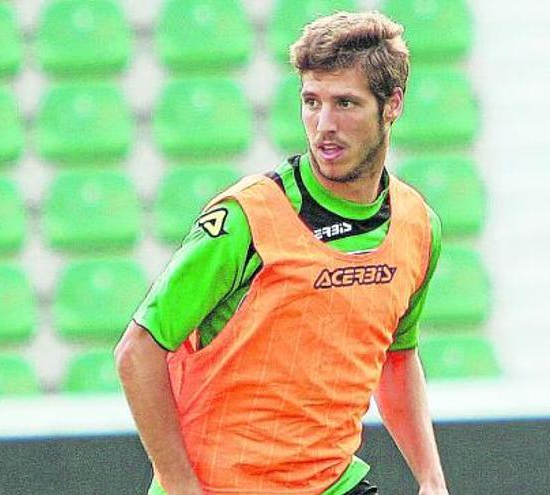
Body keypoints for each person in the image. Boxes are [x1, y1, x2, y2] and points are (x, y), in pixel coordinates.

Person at [115, 11, 449, 495]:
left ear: (392, 105)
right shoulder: (247, 218)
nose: (324, 125)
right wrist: (180, 485)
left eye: (346, 103)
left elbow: (396, 357)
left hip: (333, 484)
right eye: (311, 102)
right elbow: (137, 352)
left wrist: (431, 478)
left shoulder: (418, 225)